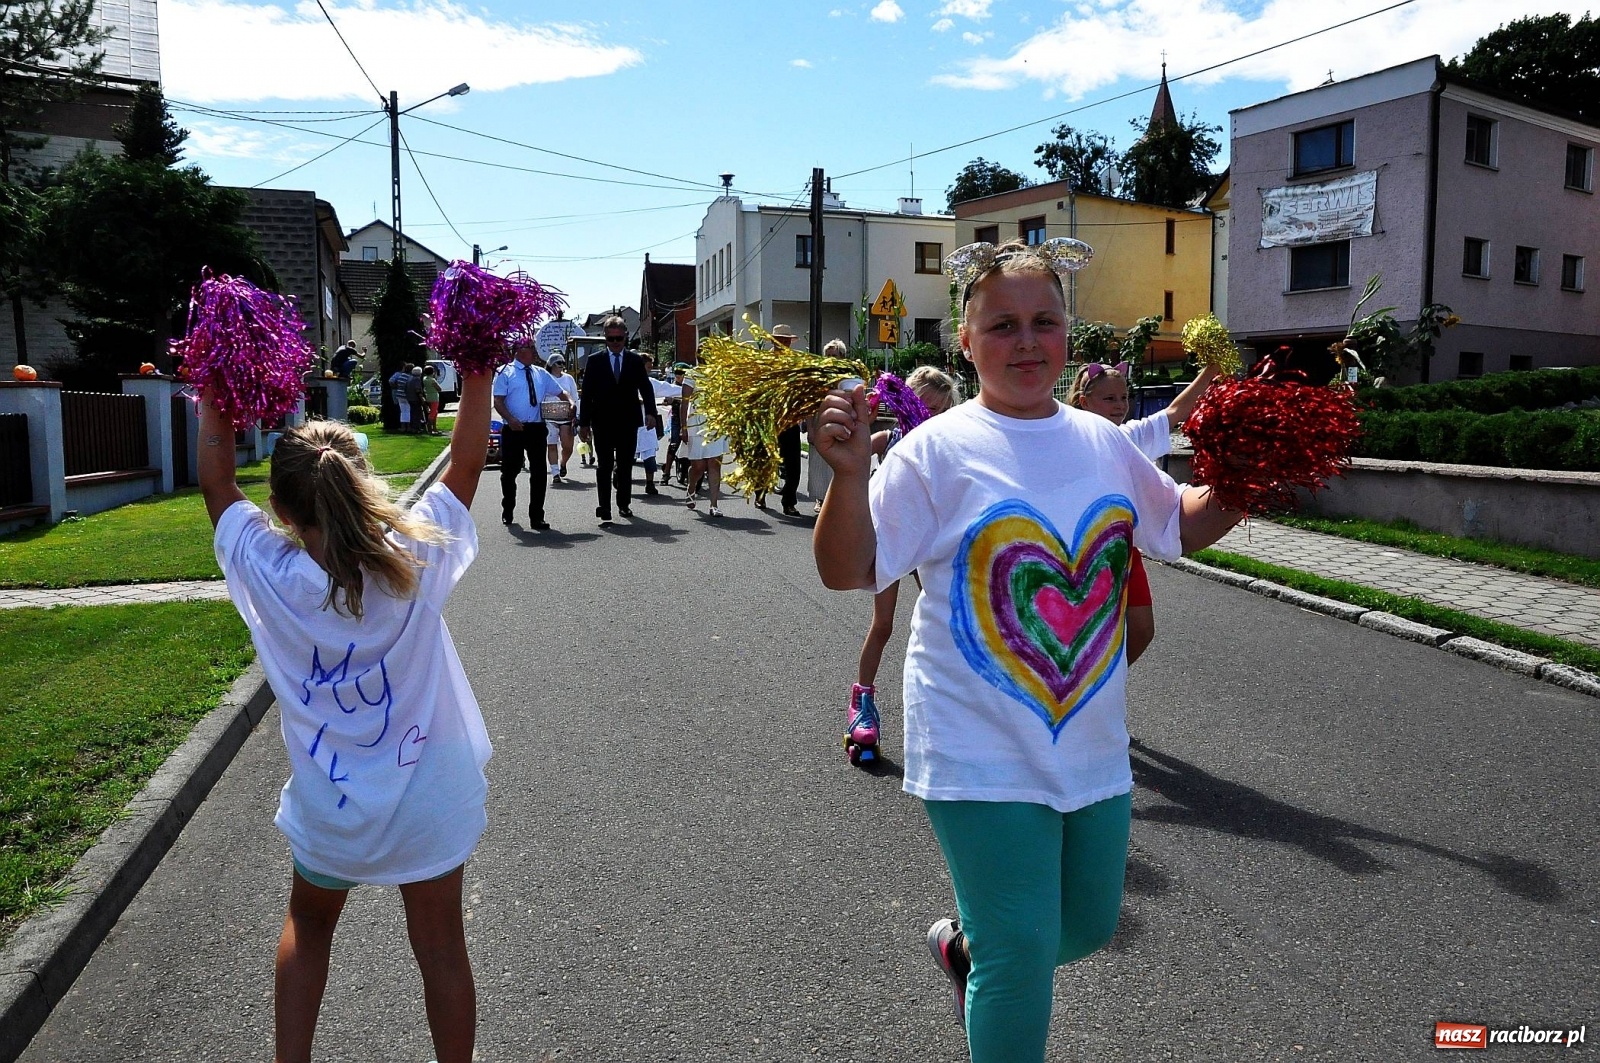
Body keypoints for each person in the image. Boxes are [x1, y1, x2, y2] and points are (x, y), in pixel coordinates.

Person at [810, 238, 1242, 1063]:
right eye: (1002, 324)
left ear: (1067, 333)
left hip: (1090, 743)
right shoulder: (933, 449)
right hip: (974, 749)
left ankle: (966, 952)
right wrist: (843, 477)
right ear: (965, 341)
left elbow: (1179, 523)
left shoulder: (1104, 442)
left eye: (1045, 320)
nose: (1027, 340)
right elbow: (848, 570)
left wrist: (1251, 476)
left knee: (1084, 924)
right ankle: (990, 959)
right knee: (1020, 960)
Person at [197, 365, 496, 1063]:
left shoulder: (269, 573)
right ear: (364, 484)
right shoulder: (415, 556)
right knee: (442, 948)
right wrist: (476, 370)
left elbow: (216, 484)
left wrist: (216, 383)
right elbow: (470, 459)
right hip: (430, 794)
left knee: (309, 921)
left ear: (280, 508)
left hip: (332, 803)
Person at [1065, 360, 1220, 664]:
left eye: (1124, 397)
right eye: (1109, 398)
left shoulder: (1128, 437)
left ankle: (1105, 682)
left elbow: (1173, 413)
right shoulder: (1066, 440)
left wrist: (1209, 374)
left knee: (1141, 629)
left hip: (1122, 551)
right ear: (1084, 401)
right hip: (1077, 555)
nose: (1120, 405)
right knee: (1077, 633)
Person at [845, 364, 960, 767]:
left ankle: (960, 707)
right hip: (891, 541)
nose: (926, 417)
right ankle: (862, 701)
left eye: (938, 411)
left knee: (952, 615)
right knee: (884, 624)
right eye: (920, 406)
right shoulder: (891, 438)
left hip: (930, 542)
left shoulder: (947, 446)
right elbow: (857, 464)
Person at [577, 315, 657, 526]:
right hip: (602, 422)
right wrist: (583, 423)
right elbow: (587, 394)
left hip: (628, 421)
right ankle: (604, 507)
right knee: (604, 465)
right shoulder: (595, 362)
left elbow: (646, 388)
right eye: (611, 339)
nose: (615, 343)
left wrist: (651, 412)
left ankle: (623, 503)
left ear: (625, 337)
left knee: (625, 465)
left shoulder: (634, 360)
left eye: (618, 338)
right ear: (605, 338)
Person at [493, 342, 563, 529]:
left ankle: (537, 516)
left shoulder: (540, 373)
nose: (534, 352)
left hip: (536, 429)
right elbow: (498, 401)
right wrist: (510, 418)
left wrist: (571, 403)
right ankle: (508, 507)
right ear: (519, 352)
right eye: (530, 349)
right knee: (510, 472)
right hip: (513, 429)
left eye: (533, 349)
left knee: (539, 473)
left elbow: (561, 392)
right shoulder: (504, 372)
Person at [678, 362, 727, 519]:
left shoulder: (720, 373)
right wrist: (683, 427)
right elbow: (684, 403)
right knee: (698, 466)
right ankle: (691, 487)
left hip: (716, 425)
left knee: (714, 463)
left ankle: (714, 505)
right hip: (696, 425)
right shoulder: (692, 375)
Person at [770, 324, 804, 516]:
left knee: (793, 463)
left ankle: (789, 501)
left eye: (786, 340)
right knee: (765, 458)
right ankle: (760, 492)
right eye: (780, 339)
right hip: (768, 419)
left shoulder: (795, 363)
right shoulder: (764, 362)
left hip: (790, 419)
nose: (784, 343)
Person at [543, 354, 579, 484]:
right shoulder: (545, 377)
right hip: (549, 416)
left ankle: (563, 463)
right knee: (551, 444)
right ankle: (555, 473)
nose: (562, 366)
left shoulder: (568, 379)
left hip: (566, 416)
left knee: (567, 446)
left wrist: (577, 414)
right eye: (559, 363)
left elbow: (574, 397)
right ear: (552, 364)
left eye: (563, 363)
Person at [661, 363, 690, 486]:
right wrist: (668, 400)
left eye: (682, 374)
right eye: (677, 374)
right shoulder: (673, 387)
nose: (679, 376)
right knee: (674, 444)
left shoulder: (691, 386)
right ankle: (666, 473)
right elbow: (668, 398)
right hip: (676, 420)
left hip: (690, 420)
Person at [388, 364, 415, 434]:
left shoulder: (400, 376)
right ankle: (408, 427)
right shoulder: (410, 377)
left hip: (399, 395)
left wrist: (395, 387)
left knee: (403, 411)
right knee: (408, 411)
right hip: (406, 395)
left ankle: (403, 427)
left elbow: (393, 382)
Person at [421, 364, 443, 435]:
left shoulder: (424, 379)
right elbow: (439, 389)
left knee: (434, 412)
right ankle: (430, 428)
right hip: (434, 397)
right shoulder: (432, 380)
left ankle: (434, 428)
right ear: (432, 372)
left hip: (428, 396)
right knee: (433, 413)